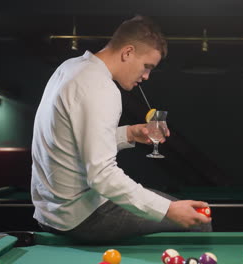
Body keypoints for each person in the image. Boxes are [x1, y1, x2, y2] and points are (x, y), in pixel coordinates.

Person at [31, 15, 212, 244]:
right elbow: (102, 177)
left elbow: (68, 142)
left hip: (50, 213)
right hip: (82, 217)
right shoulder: (102, 88)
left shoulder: (71, 68)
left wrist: (129, 134)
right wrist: (168, 210)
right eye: (147, 66)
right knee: (200, 223)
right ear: (127, 52)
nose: (146, 76)